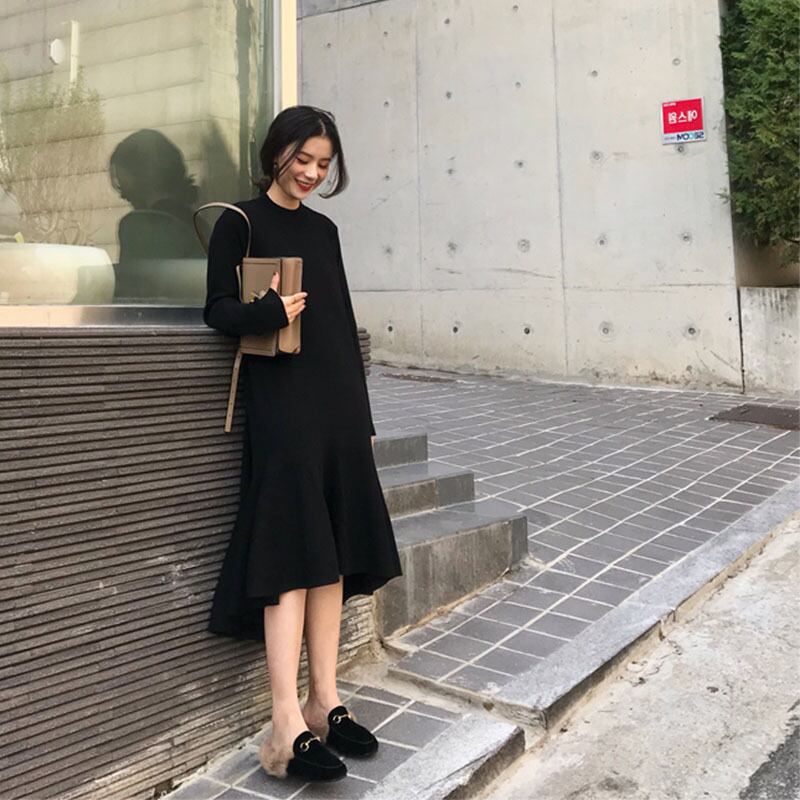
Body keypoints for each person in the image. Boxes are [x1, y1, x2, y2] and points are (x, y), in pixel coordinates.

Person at [202, 105, 403, 783]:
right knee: (293, 552)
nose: (313, 173)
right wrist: (267, 312)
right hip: (282, 405)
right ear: (276, 154)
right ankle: (284, 722)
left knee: (332, 553)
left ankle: (325, 699)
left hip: (336, 405)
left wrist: (363, 416)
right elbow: (217, 310)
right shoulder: (239, 222)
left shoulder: (325, 230)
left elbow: (342, 324)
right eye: (303, 159)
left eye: (323, 163)